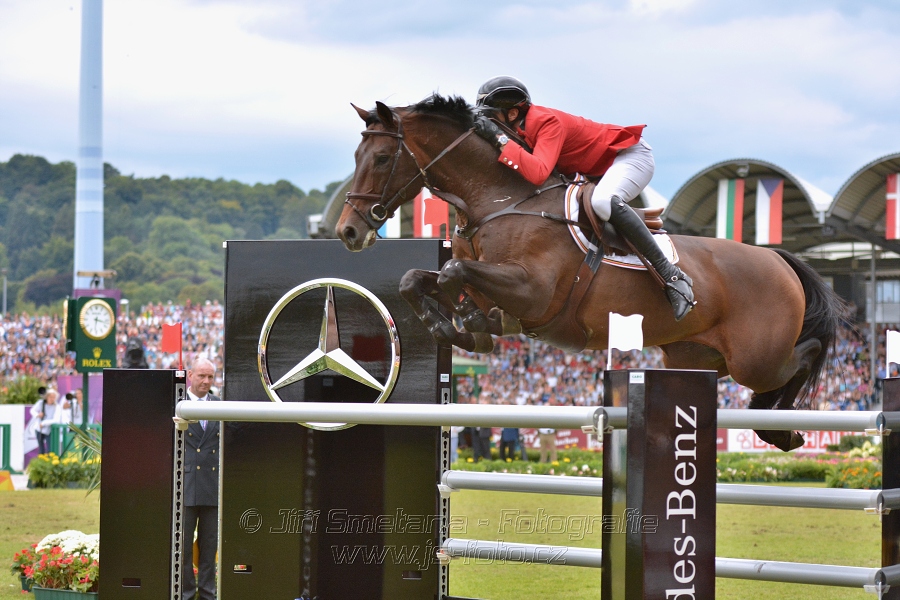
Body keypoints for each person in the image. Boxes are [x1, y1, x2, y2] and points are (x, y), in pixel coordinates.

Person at [473, 75, 695, 321]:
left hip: (631, 157)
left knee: (603, 202)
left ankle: (673, 276)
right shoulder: (521, 130)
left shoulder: (546, 121)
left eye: (492, 118)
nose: (491, 125)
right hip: (599, 171)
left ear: (512, 114)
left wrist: (499, 138)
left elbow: (537, 173)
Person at [182, 358, 220, 600]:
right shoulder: (177, 404)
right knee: (183, 546)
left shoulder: (220, 405)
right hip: (184, 487)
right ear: (190, 376)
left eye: (210, 377)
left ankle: (207, 593)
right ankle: (185, 593)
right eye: (201, 376)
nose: (206, 381)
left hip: (212, 487)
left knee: (209, 547)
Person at [34, 389, 58, 455]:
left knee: (50, 449)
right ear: (47, 397)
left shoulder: (56, 406)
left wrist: (44, 423)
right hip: (39, 429)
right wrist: (38, 415)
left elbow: (56, 419)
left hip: (49, 429)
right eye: (50, 397)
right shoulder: (41, 403)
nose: (52, 399)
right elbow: (32, 410)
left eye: (53, 397)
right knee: (41, 449)